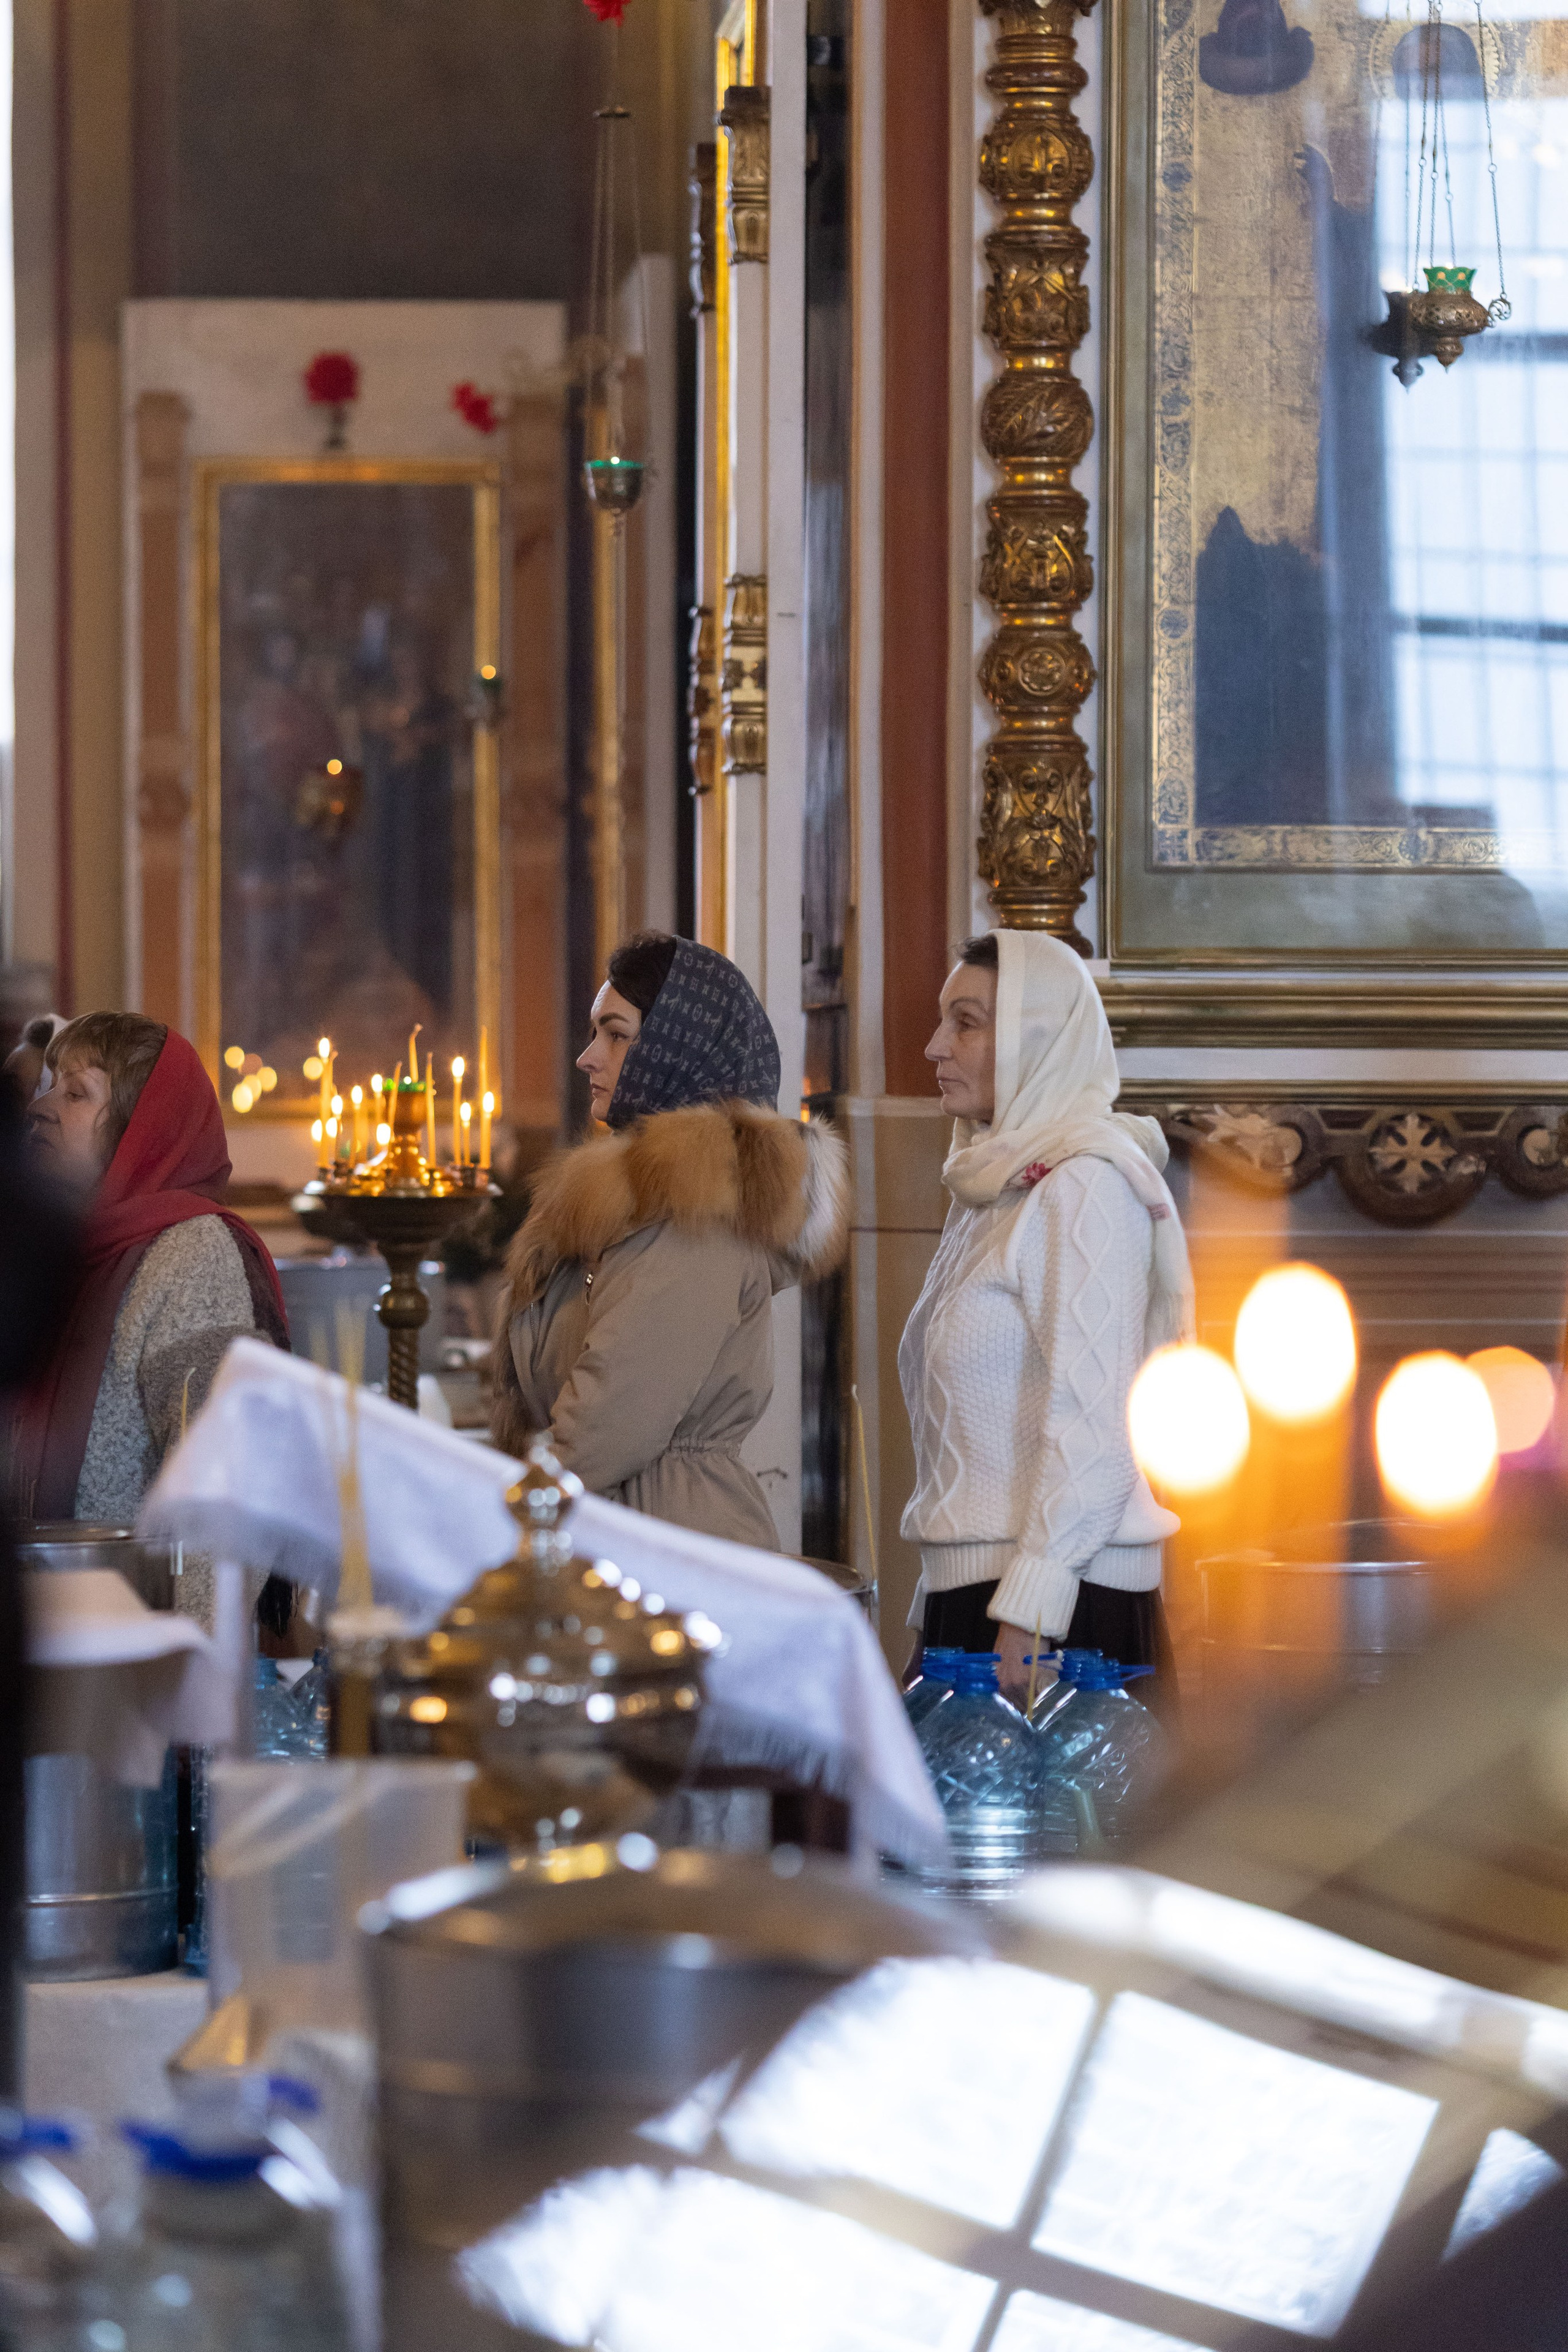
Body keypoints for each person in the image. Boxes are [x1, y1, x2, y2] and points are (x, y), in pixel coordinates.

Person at [899, 930, 1193, 1697]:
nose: (935, 1046)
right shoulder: (995, 1184)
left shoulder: (1084, 1184)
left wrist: (1028, 1619)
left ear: (1040, 1038)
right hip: (991, 1595)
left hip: (1060, 1613)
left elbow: (1098, 1426)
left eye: (965, 1022)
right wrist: (937, 1593)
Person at [492, 932, 847, 1549]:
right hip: (624, 1528)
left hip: (667, 1544)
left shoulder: (692, 1211)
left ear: (674, 1049)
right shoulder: (637, 1202)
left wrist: (497, 1512)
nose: (588, 1056)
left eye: (615, 1034)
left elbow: (612, 1417)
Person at [10, 1014, 288, 1528]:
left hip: (141, 1606)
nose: (38, 1109)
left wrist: (195, 1616)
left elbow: (223, 1498)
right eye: (48, 1089)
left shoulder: (193, 1255)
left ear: (143, 1126)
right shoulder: (68, 1250)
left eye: (75, 1095)